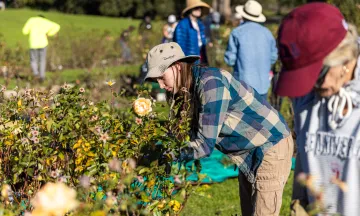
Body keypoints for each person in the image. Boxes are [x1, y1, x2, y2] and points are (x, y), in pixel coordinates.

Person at [144, 42, 294, 216]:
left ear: (177, 67)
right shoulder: (187, 90)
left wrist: (166, 156)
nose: (161, 86)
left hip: (270, 146)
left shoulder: (211, 84)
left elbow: (204, 145)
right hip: (248, 151)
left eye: (162, 77)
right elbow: (181, 132)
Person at [275, 3, 360, 215]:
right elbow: (306, 159)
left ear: (344, 57)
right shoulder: (306, 96)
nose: (313, 86)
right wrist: (300, 201)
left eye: (316, 75)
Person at [224, 0, 278, 100]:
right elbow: (273, 57)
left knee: (241, 114)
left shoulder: (237, 32)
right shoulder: (267, 33)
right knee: (260, 114)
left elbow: (230, 59)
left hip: (242, 85)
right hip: (263, 85)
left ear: (243, 15)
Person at [22, 15, 60, 82]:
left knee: (33, 60)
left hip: (33, 43)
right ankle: (42, 76)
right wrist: (49, 34)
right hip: (43, 43)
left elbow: (24, 31)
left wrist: (30, 32)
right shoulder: (45, 21)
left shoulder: (31, 20)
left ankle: (36, 74)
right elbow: (57, 26)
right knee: (42, 60)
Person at [173, 0, 210, 64]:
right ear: (190, 10)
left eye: (200, 7)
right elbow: (179, 47)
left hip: (200, 60)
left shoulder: (200, 24)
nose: (199, 9)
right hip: (189, 62)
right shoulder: (182, 24)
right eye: (196, 8)